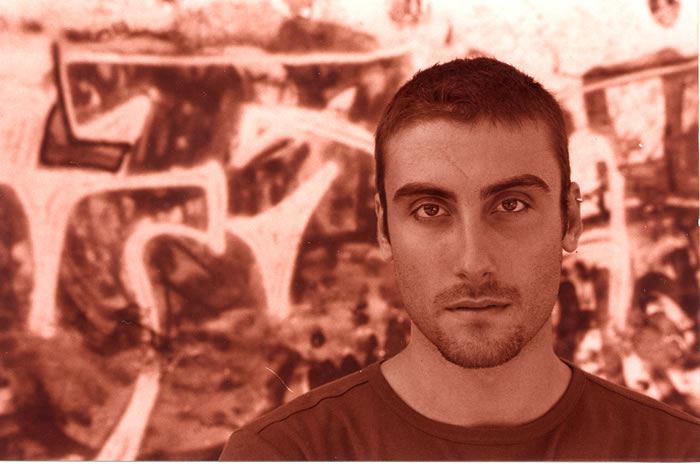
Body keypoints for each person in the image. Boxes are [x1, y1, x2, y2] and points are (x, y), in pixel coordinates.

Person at [219, 57, 700, 460]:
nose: (473, 261)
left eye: (511, 205)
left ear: (570, 220)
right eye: (430, 210)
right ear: (384, 230)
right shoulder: (283, 454)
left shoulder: (677, 451)